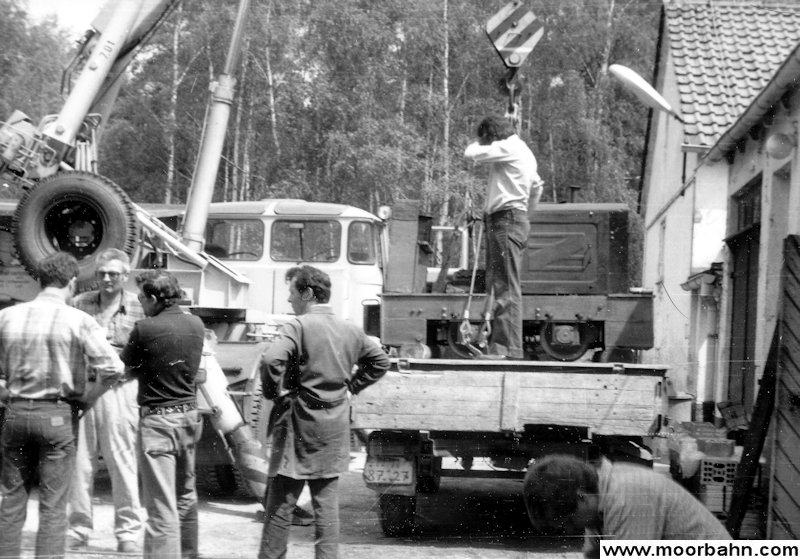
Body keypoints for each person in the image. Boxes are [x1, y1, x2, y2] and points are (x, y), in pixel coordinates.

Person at [258, 265, 390, 559]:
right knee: (327, 507)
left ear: (306, 293)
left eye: (292, 293)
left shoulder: (298, 326)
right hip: (333, 426)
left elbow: (270, 360)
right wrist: (352, 387)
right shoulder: (351, 329)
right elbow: (380, 362)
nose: (290, 300)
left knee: (281, 504)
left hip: (297, 426)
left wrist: (272, 393)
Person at [0, 252, 124, 559]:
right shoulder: (79, 319)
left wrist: (5, 393)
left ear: (40, 280)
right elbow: (114, 368)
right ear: (70, 282)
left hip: (15, 413)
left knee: (12, 500)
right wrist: (89, 397)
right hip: (57, 414)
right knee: (54, 506)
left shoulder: (7, 316)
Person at [120, 270, 205, 559]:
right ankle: (189, 554)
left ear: (155, 299)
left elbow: (127, 370)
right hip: (189, 418)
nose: (141, 304)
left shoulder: (144, 328)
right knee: (184, 496)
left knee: (160, 508)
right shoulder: (196, 324)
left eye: (142, 298)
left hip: (158, 422)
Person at [68, 248, 145, 554]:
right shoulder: (78, 304)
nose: (107, 279)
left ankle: (127, 532)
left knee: (122, 461)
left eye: (114, 274)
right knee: (80, 464)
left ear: (125, 276)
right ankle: (78, 528)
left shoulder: (139, 308)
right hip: (86, 390)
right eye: (102, 273)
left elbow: (145, 352)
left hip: (121, 392)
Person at [523, 454, 731, 558]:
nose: (569, 529)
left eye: (568, 520)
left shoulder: (627, 495)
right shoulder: (600, 497)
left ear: (581, 496)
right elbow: (593, 555)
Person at [464, 114, 542, 360]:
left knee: (505, 287)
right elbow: (537, 187)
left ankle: (507, 350)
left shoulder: (507, 147)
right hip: (512, 219)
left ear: (492, 136)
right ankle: (503, 348)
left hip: (505, 220)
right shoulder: (525, 152)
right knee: (504, 285)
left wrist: (481, 143)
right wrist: (525, 215)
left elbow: (470, 153)